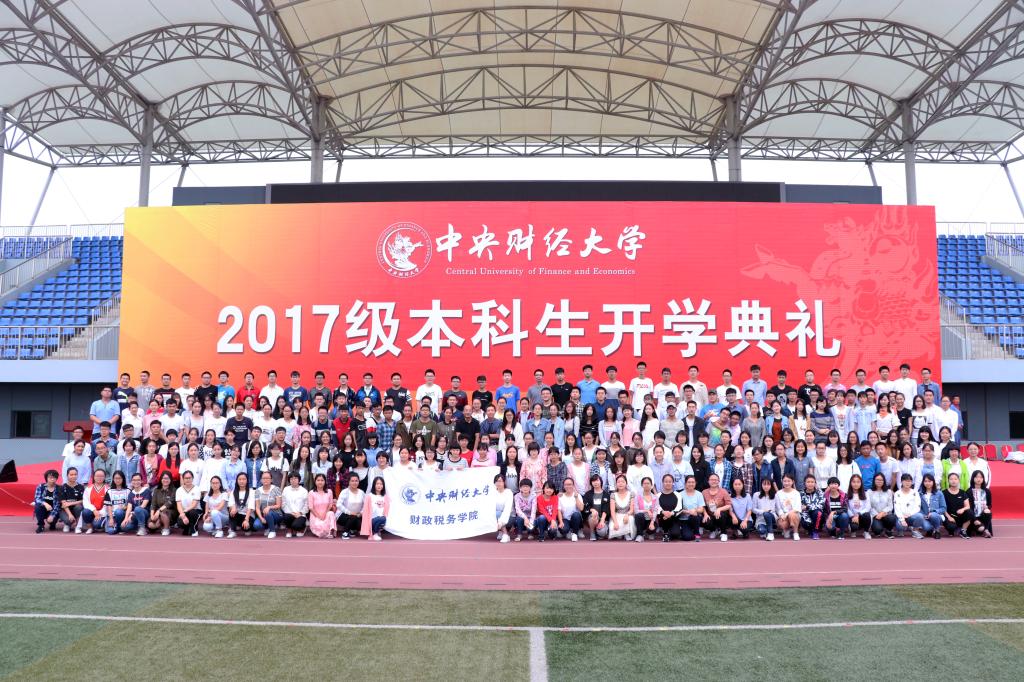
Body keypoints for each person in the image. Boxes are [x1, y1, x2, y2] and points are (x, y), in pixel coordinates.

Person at [252, 470, 283, 539]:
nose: (265, 480)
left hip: (276, 514)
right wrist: (261, 518)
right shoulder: (258, 491)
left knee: (268, 513)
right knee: (256, 525)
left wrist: (269, 507)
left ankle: (272, 531)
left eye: (267, 478)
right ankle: (268, 527)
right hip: (263, 515)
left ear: (271, 480)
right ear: (261, 480)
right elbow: (257, 507)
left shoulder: (276, 489)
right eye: (263, 478)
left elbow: (278, 505)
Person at [893, 473, 926, 538]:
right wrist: (902, 519)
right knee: (900, 526)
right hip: (901, 516)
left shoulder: (915, 493)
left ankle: (915, 530)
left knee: (920, 516)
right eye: (905, 481)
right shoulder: (897, 493)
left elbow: (918, 506)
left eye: (909, 481)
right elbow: (897, 508)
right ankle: (900, 530)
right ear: (901, 482)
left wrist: (909, 514)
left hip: (911, 516)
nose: (907, 483)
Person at [702, 473, 732, 541]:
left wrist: (719, 509)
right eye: (711, 480)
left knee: (722, 514)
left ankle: (723, 533)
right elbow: (702, 505)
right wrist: (705, 514)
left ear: (718, 481)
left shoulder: (724, 491)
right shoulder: (704, 492)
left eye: (715, 480)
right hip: (710, 514)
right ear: (708, 481)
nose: (714, 481)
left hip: (721, 515)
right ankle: (713, 530)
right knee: (705, 521)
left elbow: (729, 505)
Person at [942, 472, 972, 538]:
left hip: (960, 516)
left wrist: (962, 509)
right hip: (949, 516)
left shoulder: (962, 492)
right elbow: (942, 508)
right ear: (948, 481)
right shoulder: (944, 493)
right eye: (951, 479)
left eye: (955, 479)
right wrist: (949, 517)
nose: (953, 481)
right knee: (951, 527)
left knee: (970, 512)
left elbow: (967, 506)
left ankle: (963, 531)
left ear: (958, 480)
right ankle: (952, 529)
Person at [607, 475, 636, 541]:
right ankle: (621, 534)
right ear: (616, 484)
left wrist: (627, 515)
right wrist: (615, 522)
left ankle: (626, 534)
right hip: (617, 515)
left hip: (628, 515)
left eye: (623, 482)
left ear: (626, 483)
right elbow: (612, 511)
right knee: (614, 529)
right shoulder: (613, 495)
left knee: (630, 519)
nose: (620, 483)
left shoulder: (631, 494)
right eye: (618, 482)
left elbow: (632, 510)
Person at [868, 472, 897, 538]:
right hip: (875, 516)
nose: (879, 481)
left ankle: (888, 530)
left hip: (885, 515)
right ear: (874, 480)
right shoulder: (869, 492)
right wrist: (877, 514)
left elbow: (890, 506)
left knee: (892, 518)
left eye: (881, 480)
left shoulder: (888, 491)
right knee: (877, 530)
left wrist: (883, 513)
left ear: (884, 481)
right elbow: (869, 506)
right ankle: (880, 528)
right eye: (877, 480)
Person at [148, 471, 177, 535]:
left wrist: (158, 511)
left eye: (167, 478)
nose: (165, 480)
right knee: (150, 525)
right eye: (164, 478)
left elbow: (170, 503)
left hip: (170, 511)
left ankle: (166, 528)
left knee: (163, 513)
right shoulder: (156, 490)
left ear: (170, 480)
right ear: (161, 479)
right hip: (157, 512)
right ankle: (160, 526)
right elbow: (153, 504)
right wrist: (152, 515)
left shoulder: (174, 490)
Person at [336, 473, 365, 539]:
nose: (354, 483)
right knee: (352, 517)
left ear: (359, 481)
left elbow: (365, 505)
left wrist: (361, 513)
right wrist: (349, 512)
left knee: (360, 524)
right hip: (343, 516)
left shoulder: (362, 492)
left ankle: (352, 529)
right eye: (352, 481)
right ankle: (345, 533)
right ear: (348, 482)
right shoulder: (344, 492)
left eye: (356, 481)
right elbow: (338, 504)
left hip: (357, 516)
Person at [774, 473, 802, 541]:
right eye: (785, 481)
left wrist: (786, 514)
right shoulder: (778, 493)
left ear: (792, 482)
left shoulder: (796, 493)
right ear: (782, 481)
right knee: (782, 523)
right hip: (783, 515)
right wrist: (781, 515)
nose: (786, 483)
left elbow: (797, 508)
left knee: (792, 515)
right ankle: (786, 529)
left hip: (794, 514)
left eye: (789, 481)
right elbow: (778, 508)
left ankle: (795, 533)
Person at [80, 469, 109, 534]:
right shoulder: (88, 488)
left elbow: (107, 504)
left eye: (101, 476)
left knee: (97, 525)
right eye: (97, 476)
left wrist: (99, 513)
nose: (99, 478)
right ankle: (90, 527)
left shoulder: (108, 489)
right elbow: (86, 502)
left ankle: (102, 524)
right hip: (92, 511)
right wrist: (94, 510)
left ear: (104, 477)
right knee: (85, 512)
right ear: (94, 477)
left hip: (102, 512)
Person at [361, 476, 389, 542]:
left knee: (383, 518)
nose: (379, 486)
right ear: (374, 485)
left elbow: (388, 509)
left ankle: (377, 531)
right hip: (372, 520)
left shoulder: (385, 497)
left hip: (383, 519)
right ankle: (375, 533)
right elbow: (365, 512)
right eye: (377, 484)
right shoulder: (369, 496)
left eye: (381, 484)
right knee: (381, 518)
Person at [918, 473, 946, 540]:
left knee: (933, 515)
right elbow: (918, 507)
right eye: (925, 481)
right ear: (923, 482)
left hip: (936, 516)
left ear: (933, 482)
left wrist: (934, 511)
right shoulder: (920, 493)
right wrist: (923, 515)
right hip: (925, 516)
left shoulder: (939, 493)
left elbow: (943, 508)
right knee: (926, 527)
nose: (927, 483)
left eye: (929, 481)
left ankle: (937, 531)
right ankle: (931, 530)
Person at [175, 470, 203, 536]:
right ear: (183, 479)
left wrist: (184, 511)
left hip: (196, 511)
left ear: (192, 478)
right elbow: (179, 505)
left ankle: (194, 530)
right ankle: (188, 528)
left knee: (192, 512)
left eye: (189, 478)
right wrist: (182, 514)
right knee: (180, 522)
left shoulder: (197, 489)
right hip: (184, 511)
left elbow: (194, 504)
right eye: (186, 478)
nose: (188, 480)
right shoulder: (179, 490)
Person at [583, 474, 610, 541]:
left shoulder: (606, 494)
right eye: (593, 481)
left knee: (602, 532)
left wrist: (602, 521)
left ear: (601, 481)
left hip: (603, 518)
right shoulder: (588, 494)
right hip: (592, 518)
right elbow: (586, 506)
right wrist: (592, 510)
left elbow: (606, 509)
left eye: (597, 480)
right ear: (591, 483)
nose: (595, 483)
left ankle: (598, 532)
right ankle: (592, 532)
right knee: (594, 515)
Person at [677, 476, 705, 542]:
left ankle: (697, 533)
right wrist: (688, 512)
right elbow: (678, 510)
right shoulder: (680, 494)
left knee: (695, 516)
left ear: (695, 483)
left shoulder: (699, 494)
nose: (691, 484)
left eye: (693, 482)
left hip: (695, 519)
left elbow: (701, 509)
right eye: (689, 482)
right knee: (687, 537)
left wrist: (695, 510)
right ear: (685, 483)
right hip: (684, 519)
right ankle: (687, 532)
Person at [58, 467, 84, 533]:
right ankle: (67, 524)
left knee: (79, 507)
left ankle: (78, 526)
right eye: (71, 475)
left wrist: (70, 503)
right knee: (68, 520)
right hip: (65, 510)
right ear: (67, 475)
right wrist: (70, 514)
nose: (73, 476)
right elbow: (64, 504)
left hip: (76, 509)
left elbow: (83, 500)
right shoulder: (62, 487)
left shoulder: (81, 487)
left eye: (75, 474)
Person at [557, 478, 585, 542]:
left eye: (570, 484)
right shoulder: (560, 496)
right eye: (566, 485)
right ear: (563, 486)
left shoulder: (577, 495)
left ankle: (575, 533)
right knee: (563, 530)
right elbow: (559, 510)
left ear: (573, 485)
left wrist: (576, 497)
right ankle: (569, 531)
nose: (568, 486)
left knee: (576, 515)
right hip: (565, 519)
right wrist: (561, 522)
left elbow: (581, 508)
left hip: (575, 519)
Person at [656, 474, 682, 542]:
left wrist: (671, 513)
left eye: (670, 481)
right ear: (663, 483)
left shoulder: (678, 495)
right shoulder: (658, 495)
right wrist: (663, 512)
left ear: (673, 483)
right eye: (666, 481)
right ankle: (665, 531)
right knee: (664, 517)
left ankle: (671, 531)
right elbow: (657, 508)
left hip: (674, 519)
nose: (668, 483)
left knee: (675, 534)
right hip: (662, 518)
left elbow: (679, 508)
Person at [968, 470, 993, 538]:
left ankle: (986, 530)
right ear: (973, 478)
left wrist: (987, 507)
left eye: (981, 477)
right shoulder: (969, 491)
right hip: (973, 517)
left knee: (988, 511)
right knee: (980, 529)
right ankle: (979, 529)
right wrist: (974, 519)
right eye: (976, 477)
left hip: (983, 516)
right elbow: (968, 508)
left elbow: (990, 505)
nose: (978, 479)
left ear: (983, 479)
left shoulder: (987, 491)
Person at [799, 475, 825, 540]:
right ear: (804, 483)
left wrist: (807, 507)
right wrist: (805, 508)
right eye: (808, 482)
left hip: (817, 514)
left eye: (812, 482)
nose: (810, 484)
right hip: (805, 514)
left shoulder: (820, 492)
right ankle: (810, 530)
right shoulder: (801, 494)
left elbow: (821, 505)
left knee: (818, 513)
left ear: (815, 483)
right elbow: (800, 506)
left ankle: (815, 531)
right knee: (805, 523)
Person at [633, 476, 658, 542]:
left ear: (651, 485)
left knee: (652, 530)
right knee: (639, 515)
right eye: (644, 483)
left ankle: (648, 532)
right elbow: (636, 511)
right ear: (642, 485)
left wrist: (652, 522)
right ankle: (640, 535)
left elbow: (655, 511)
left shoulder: (655, 497)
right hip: (642, 519)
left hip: (650, 519)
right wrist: (646, 511)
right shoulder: (637, 496)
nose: (646, 485)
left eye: (648, 483)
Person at [228, 472, 252, 538]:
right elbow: (231, 503)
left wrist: (246, 520)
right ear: (237, 481)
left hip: (248, 516)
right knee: (231, 511)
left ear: (247, 480)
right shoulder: (233, 492)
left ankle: (247, 528)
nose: (242, 481)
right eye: (240, 479)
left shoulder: (251, 491)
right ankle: (232, 531)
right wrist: (233, 508)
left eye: (244, 479)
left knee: (246, 528)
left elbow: (250, 507)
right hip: (238, 515)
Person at [752, 476, 776, 541]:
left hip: (772, 517)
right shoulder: (756, 495)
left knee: (767, 514)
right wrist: (763, 511)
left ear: (771, 485)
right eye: (764, 484)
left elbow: (778, 509)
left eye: (768, 484)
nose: (766, 486)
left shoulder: (775, 495)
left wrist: (768, 512)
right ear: (761, 485)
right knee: (762, 531)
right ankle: (766, 531)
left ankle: (770, 533)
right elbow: (753, 509)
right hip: (761, 520)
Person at [494, 475, 514, 543]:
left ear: (504, 482)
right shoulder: (493, 493)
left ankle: (505, 534)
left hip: (510, 517)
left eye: (500, 481)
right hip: (497, 516)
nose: (498, 483)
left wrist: (500, 522)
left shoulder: (508, 492)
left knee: (498, 513)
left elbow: (507, 509)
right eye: (496, 481)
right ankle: (501, 531)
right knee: (496, 513)